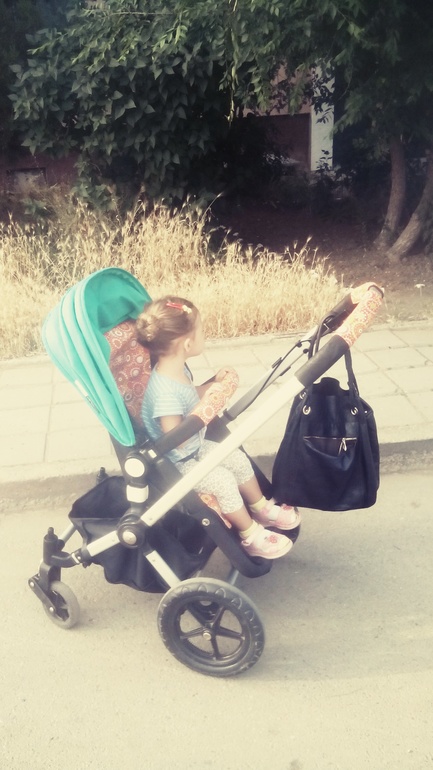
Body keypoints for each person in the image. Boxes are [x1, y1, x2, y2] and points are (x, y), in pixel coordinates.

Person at [136, 296, 301, 560]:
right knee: (224, 481)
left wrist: (211, 385)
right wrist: (205, 408)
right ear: (187, 344)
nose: (205, 334)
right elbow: (174, 437)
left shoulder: (174, 371)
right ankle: (250, 535)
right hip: (178, 462)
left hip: (194, 448)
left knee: (235, 457)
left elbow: (189, 395)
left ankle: (260, 508)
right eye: (201, 330)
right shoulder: (164, 393)